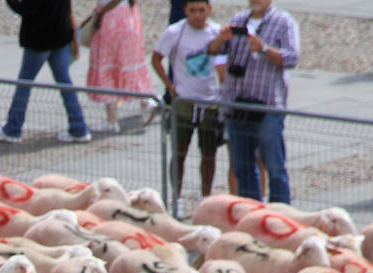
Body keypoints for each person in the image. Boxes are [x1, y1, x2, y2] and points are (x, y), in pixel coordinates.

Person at [208, 0, 299, 203]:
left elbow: (292, 59)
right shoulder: (238, 20)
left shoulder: (284, 22)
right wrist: (220, 40)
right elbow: (213, 52)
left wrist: (264, 49)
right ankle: (252, 212)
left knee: (274, 167)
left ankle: (281, 212)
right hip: (237, 106)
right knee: (242, 168)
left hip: (267, 107)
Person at [152, 0, 226, 218]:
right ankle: (177, 197)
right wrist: (170, 86)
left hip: (210, 102)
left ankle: (205, 197)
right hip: (184, 102)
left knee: (209, 153)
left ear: (209, 10)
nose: (197, 15)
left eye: (201, 10)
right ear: (185, 11)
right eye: (192, 11)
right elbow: (156, 58)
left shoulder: (217, 32)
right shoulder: (175, 32)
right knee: (179, 152)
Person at [0, 0, 90, 143]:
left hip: (40, 39)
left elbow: (27, 8)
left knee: (24, 84)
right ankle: (78, 127)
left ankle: (13, 129)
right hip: (61, 34)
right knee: (65, 83)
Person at [86, 0, 157, 135]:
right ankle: (145, 100)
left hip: (109, 19)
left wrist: (99, 14)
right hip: (129, 17)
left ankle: (112, 120)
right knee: (130, 63)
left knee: (107, 68)